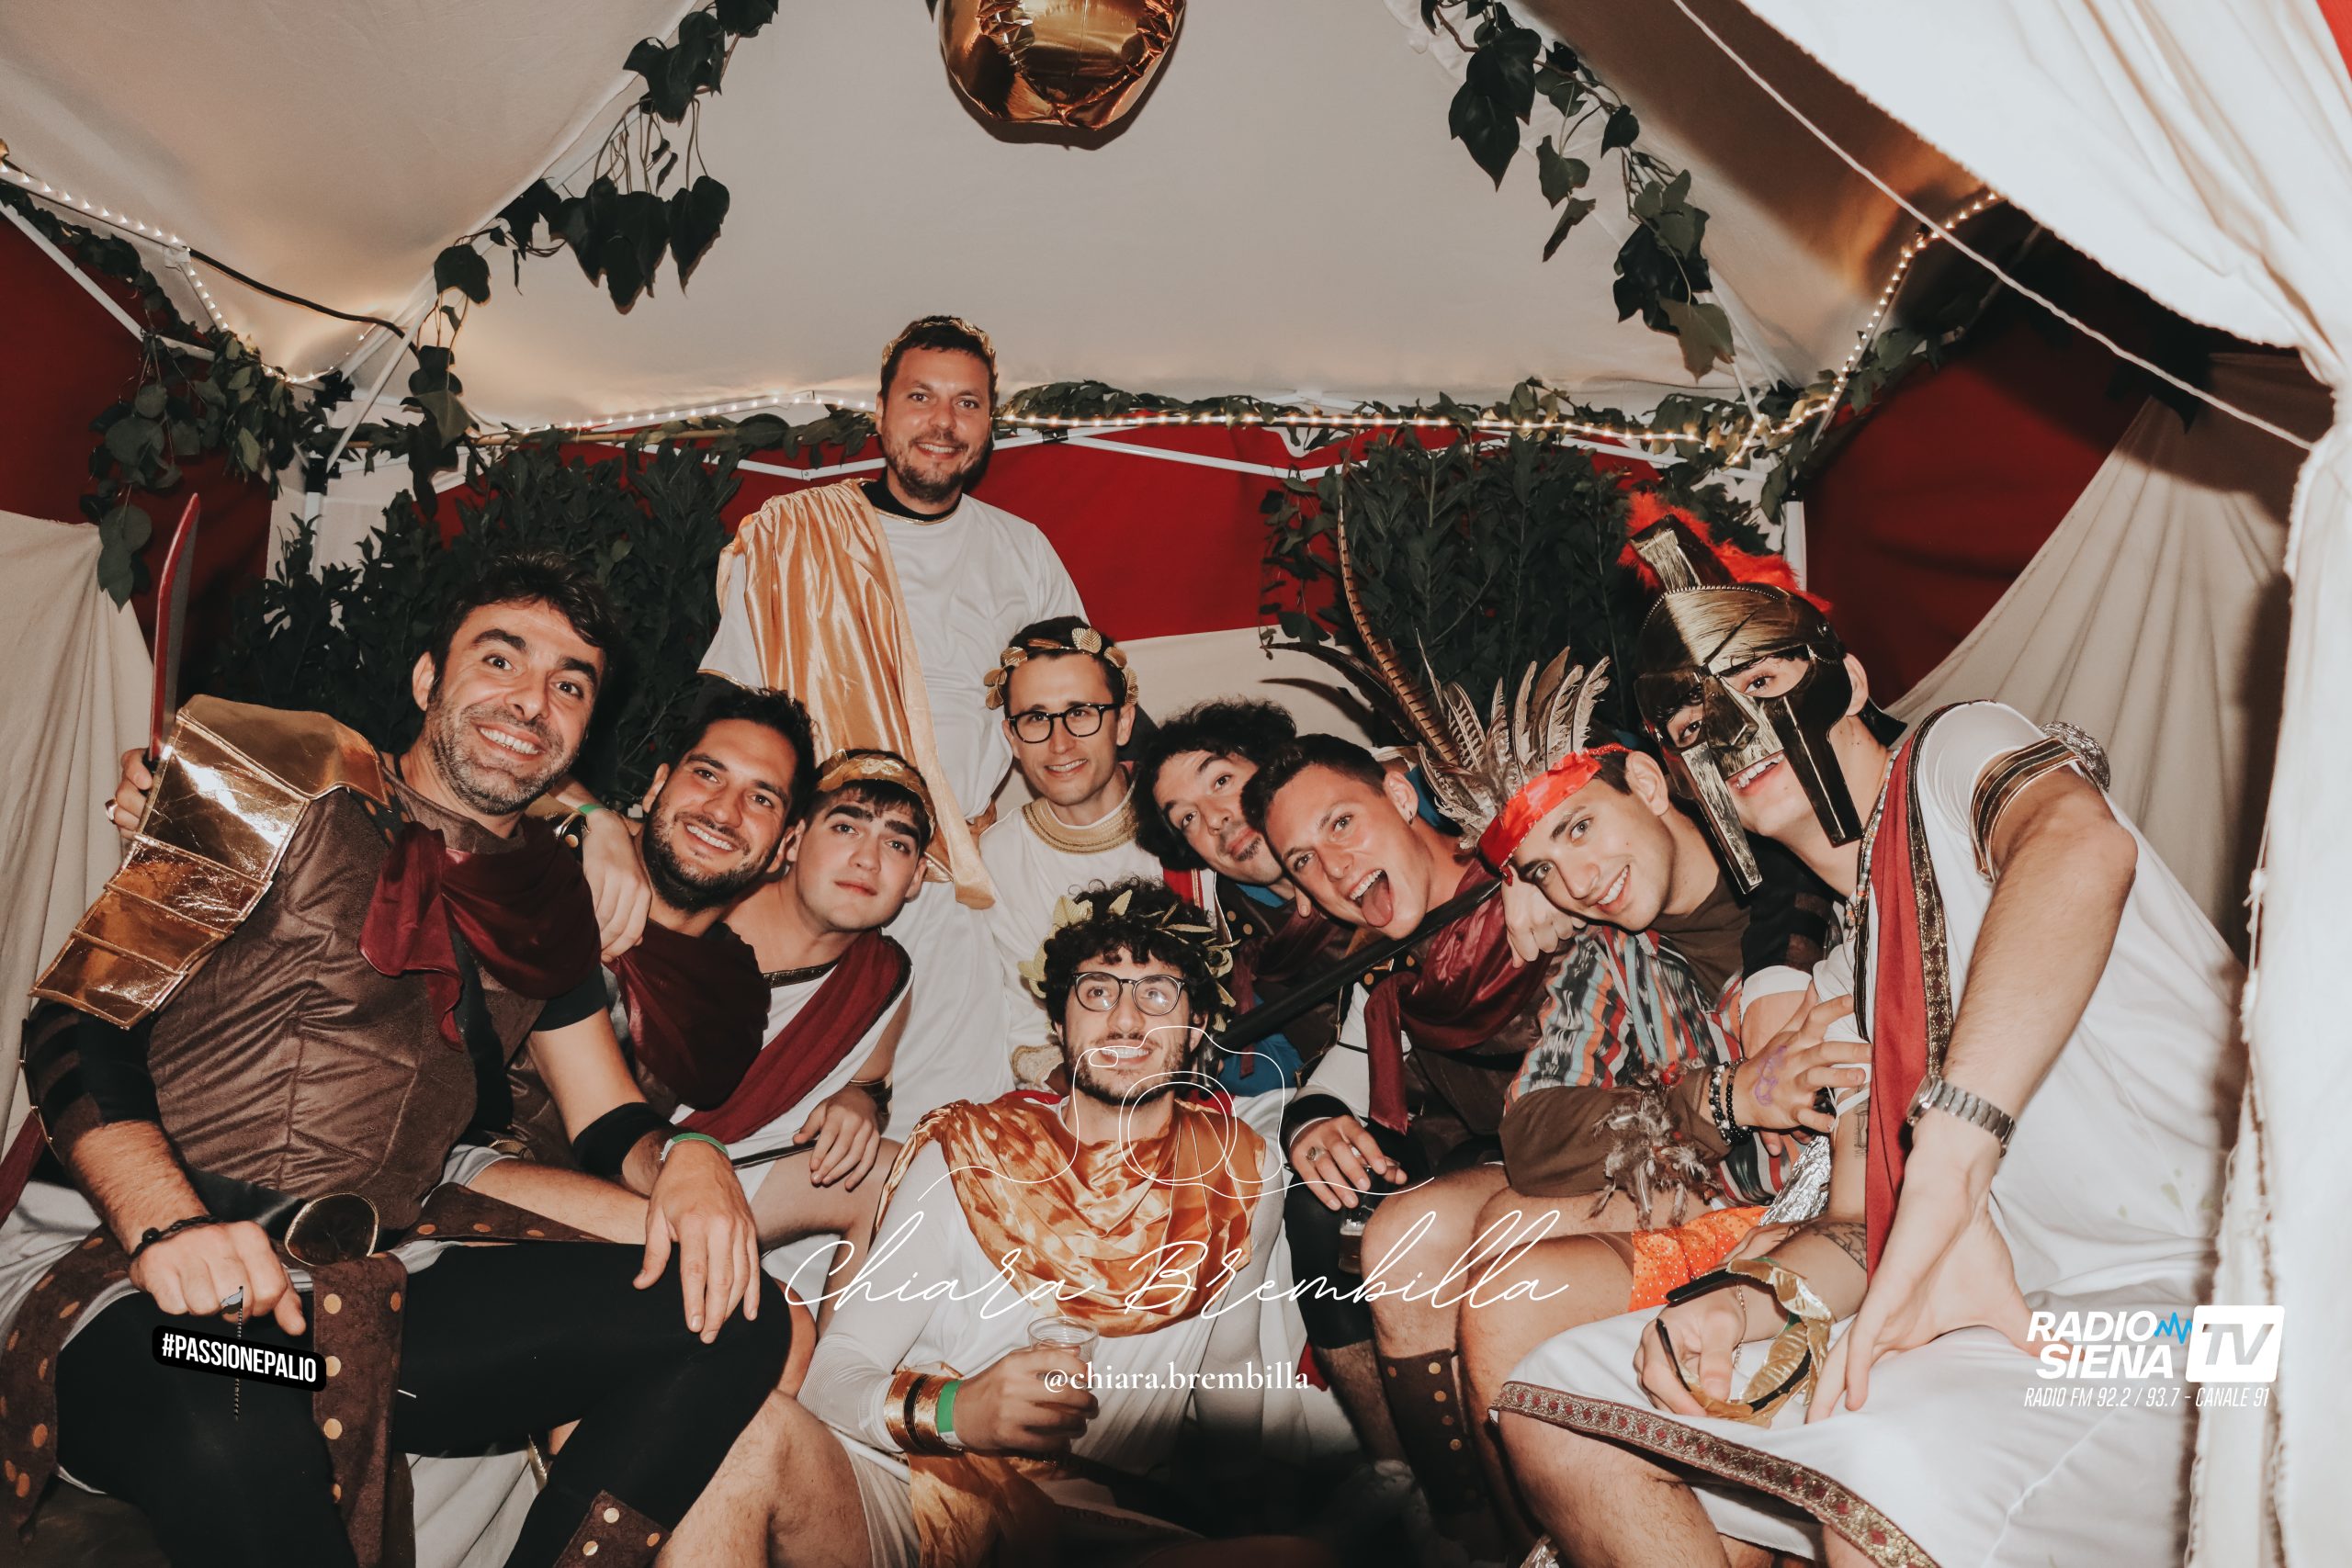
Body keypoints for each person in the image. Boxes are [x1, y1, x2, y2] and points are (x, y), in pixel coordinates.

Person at [9, 552, 786, 1568]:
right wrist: (170, 1223)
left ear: (586, 730)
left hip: (352, 1306)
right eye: (500, 659)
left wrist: (691, 1160)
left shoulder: (550, 900)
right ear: (427, 679)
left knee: (734, 1314)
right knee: (237, 1406)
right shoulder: (277, 776)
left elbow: (608, 1119)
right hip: (140, 1273)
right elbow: (78, 1017)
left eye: (568, 685)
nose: (532, 700)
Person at [1496, 552, 2244, 1566]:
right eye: (1694, 730)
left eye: (1759, 684)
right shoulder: (1845, 965)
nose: (1735, 734)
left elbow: (2078, 848)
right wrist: (1744, 1301)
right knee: (1562, 1407)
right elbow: (1857, 1224)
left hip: (2214, 1313)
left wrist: (1953, 1151)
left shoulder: (1957, 754)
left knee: (1876, 1489)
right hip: (2015, 1322)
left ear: (1844, 681)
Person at [762, 876, 1323, 1567]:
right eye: (1097, 990)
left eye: (1156, 993)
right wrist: (957, 1410)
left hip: (1099, 1523)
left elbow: (1229, 1366)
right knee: (762, 1437)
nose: (1125, 1020)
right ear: (1059, 1022)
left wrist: (1246, 1499)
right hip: (918, 1490)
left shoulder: (1243, 1171)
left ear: (1198, 1022)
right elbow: (833, 1376)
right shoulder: (970, 1153)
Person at [694, 315, 1087, 1134]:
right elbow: (730, 711)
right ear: (880, 412)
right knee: (775, 1124)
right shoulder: (793, 536)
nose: (943, 422)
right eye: (920, 397)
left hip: (954, 888)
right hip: (810, 884)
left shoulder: (1023, 554)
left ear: (989, 424)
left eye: (967, 404)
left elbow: (1079, 712)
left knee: (944, 1129)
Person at [710, 749, 933, 1311]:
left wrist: (859, 1101)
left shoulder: (883, 975)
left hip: (730, 1176)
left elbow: (870, 1084)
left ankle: (841, 1363)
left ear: (916, 879)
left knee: (901, 1174)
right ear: (792, 840)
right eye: (846, 828)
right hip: (618, 1164)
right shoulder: (705, 907)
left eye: (897, 845)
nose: (867, 860)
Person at [1134, 697, 1357, 1100]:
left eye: (1221, 781)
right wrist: (1197, 1052)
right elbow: (1287, 1063)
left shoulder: (1372, 815)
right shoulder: (1237, 934)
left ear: (1271, 766)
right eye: (1187, 818)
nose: (1214, 818)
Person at [977, 616, 1160, 1090]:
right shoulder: (999, 857)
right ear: (1013, 738)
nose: (1060, 744)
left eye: (1080, 712)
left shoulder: (1179, 818)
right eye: (1036, 719)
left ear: (1123, 722)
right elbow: (1027, 1033)